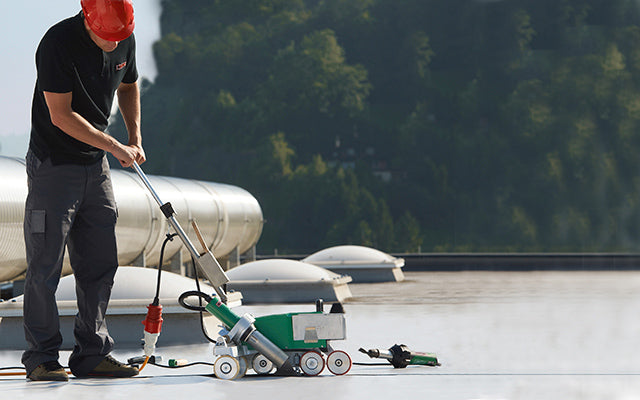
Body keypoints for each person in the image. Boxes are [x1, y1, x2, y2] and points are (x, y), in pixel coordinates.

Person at [22, 0, 146, 381]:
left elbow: (129, 85)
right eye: (105, 37)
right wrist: (113, 145)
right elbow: (60, 115)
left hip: (97, 167)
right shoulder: (57, 43)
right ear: (87, 20)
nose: (112, 45)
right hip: (54, 166)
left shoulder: (123, 35)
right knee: (45, 266)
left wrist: (135, 135)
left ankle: (92, 353)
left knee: (99, 262)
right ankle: (42, 358)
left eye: (117, 38)